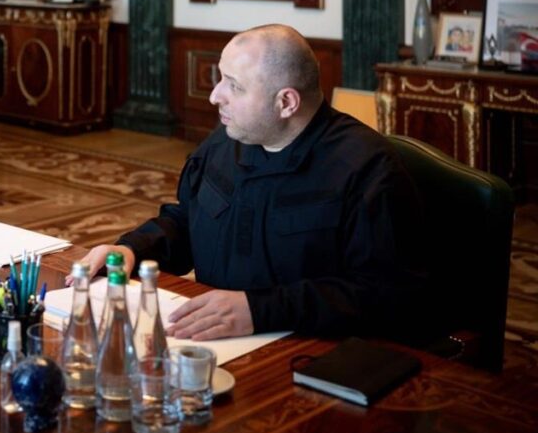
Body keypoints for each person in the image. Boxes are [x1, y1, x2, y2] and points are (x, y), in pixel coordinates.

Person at [72, 24, 428, 342]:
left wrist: (259, 311)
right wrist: (133, 249)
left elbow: (385, 294)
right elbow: (191, 220)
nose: (214, 96)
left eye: (234, 86)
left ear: (286, 102)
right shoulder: (228, 139)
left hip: (312, 350)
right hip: (217, 337)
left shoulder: (367, 169)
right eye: (220, 78)